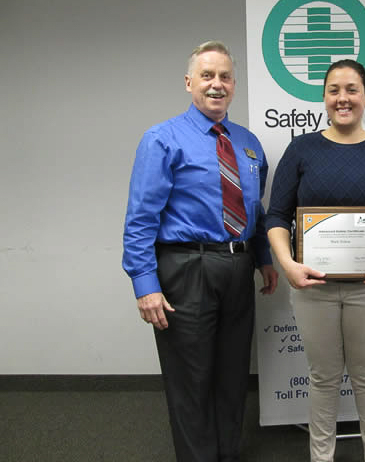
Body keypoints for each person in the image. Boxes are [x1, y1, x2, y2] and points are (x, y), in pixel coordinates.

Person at [122, 40, 278, 462]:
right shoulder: (162, 139)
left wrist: (263, 258)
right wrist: (145, 285)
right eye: (207, 76)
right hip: (185, 268)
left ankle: (226, 454)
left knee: (232, 374)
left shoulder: (247, 143)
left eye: (225, 77)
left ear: (234, 85)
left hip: (238, 266)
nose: (216, 84)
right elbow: (140, 218)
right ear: (189, 82)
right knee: (190, 380)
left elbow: (254, 208)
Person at [266, 59, 365, 462]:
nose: (343, 98)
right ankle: (321, 457)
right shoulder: (301, 149)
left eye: (352, 89)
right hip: (313, 288)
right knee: (323, 378)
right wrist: (287, 264)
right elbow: (277, 216)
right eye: (334, 90)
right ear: (324, 98)